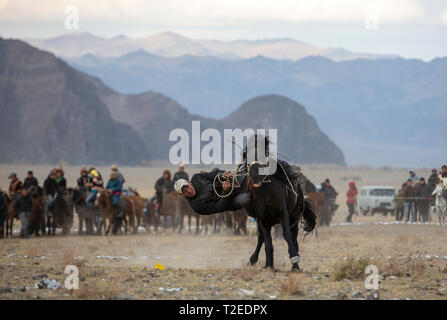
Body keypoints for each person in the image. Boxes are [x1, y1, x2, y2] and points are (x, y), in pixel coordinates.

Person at [174, 169, 250, 215]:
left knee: (251, 168)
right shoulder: (197, 206)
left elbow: (213, 174)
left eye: (187, 187)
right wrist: (226, 191)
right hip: (232, 200)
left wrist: (222, 175)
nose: (189, 190)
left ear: (189, 183)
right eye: (185, 191)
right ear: (182, 194)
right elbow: (220, 207)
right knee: (247, 198)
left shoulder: (197, 177)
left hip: (233, 181)